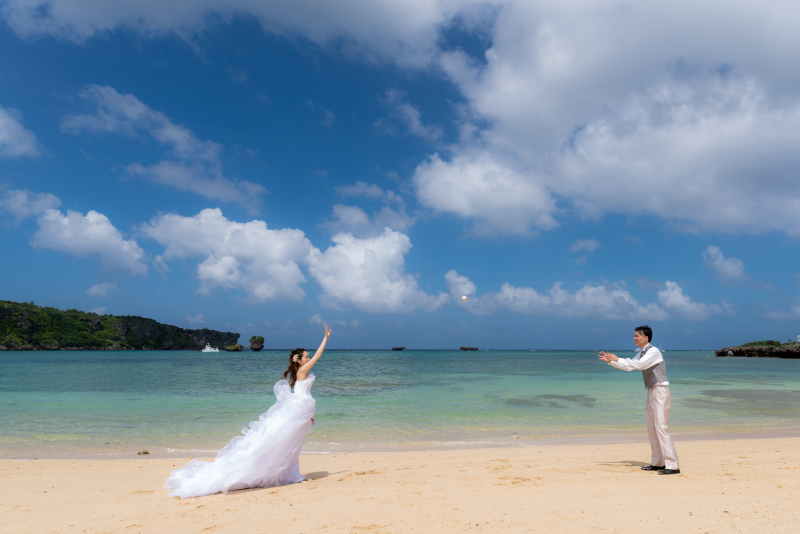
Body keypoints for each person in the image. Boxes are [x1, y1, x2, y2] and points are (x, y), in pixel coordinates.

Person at [165, 325, 332, 498]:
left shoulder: (300, 372)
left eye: (308, 356)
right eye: (306, 356)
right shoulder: (303, 370)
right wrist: (325, 338)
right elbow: (319, 355)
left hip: (300, 409)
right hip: (298, 409)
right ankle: (284, 473)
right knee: (285, 442)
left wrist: (308, 415)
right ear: (299, 360)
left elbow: (303, 394)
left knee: (291, 442)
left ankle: (290, 473)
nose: (309, 358)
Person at [598, 325, 680, 475]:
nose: (634, 338)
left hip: (660, 391)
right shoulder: (642, 352)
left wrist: (617, 358)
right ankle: (657, 462)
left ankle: (673, 465)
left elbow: (639, 365)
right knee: (651, 427)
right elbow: (629, 366)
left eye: (637, 335)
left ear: (646, 338)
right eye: (634, 335)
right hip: (651, 391)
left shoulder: (653, 351)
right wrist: (611, 361)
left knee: (661, 427)